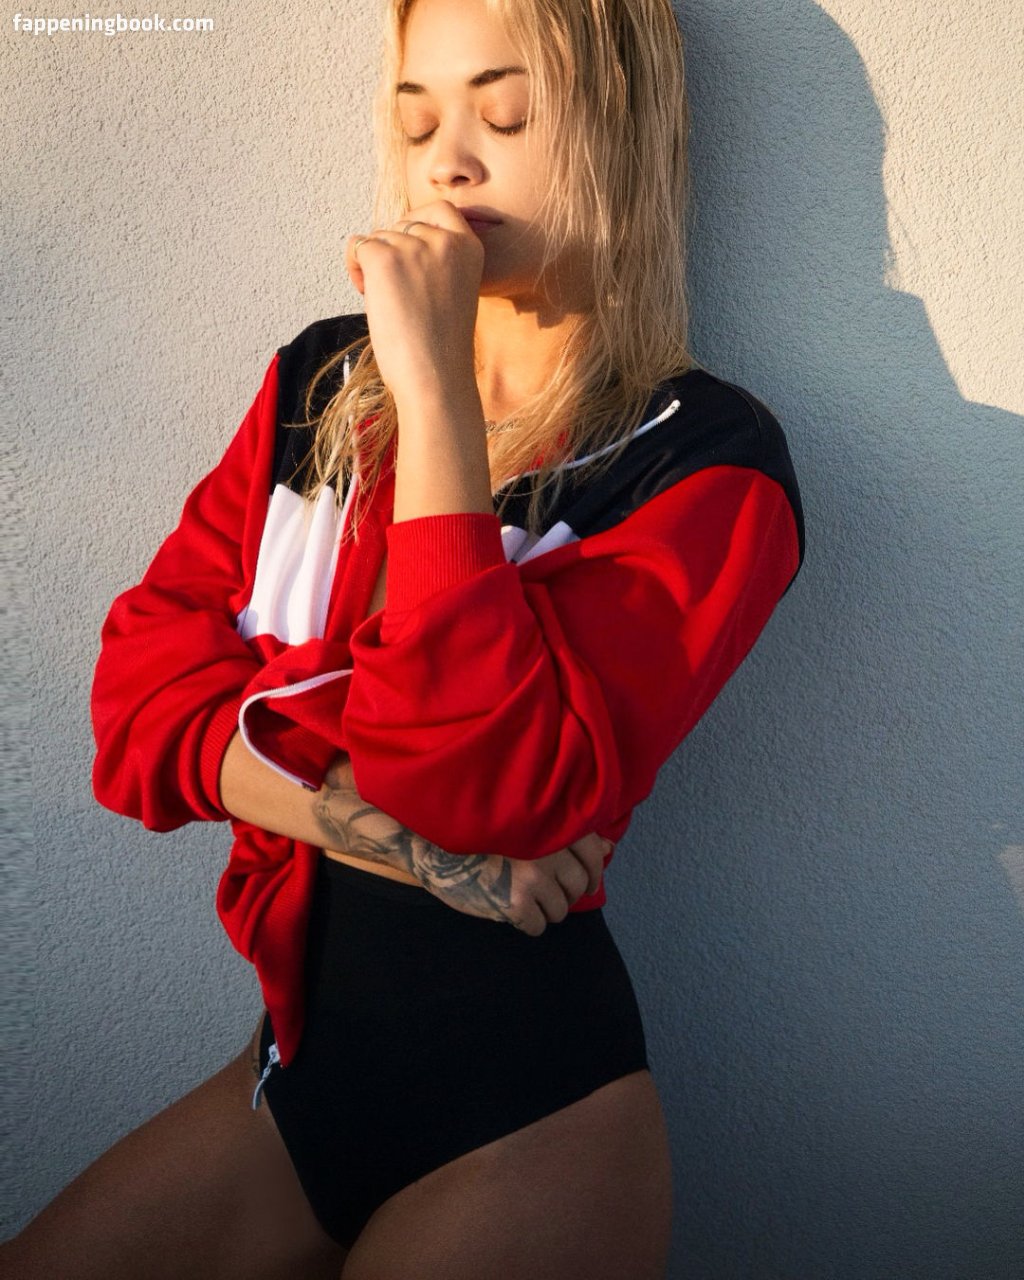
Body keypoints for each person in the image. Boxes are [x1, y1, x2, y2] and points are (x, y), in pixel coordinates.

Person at [3, 0, 804, 1275]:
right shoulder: (318, 383)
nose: (449, 163)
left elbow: (475, 779)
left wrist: (433, 392)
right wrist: (415, 846)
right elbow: (132, 704)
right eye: (417, 120)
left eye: (506, 116)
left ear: (618, 126)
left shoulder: (708, 462)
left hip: (530, 1120)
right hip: (294, 1077)